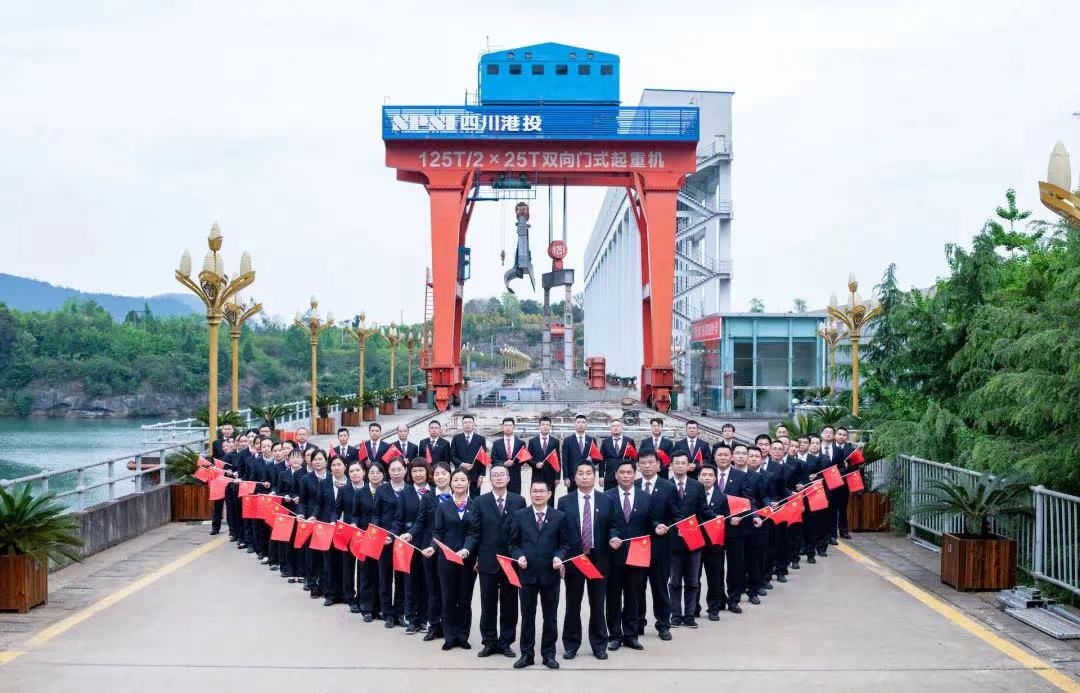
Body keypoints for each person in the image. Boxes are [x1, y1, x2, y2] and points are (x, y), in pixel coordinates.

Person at [557, 462, 622, 661]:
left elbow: (613, 525)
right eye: (580, 473)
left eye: (588, 473)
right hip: (575, 559)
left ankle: (599, 644)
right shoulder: (564, 501)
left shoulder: (606, 500)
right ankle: (571, 644)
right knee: (573, 604)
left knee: (598, 604)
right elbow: (560, 533)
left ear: (594, 477)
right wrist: (561, 559)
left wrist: (613, 536)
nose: (584, 477)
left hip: (599, 558)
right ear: (575, 477)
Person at [508, 480, 569, 670]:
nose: (538, 494)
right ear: (530, 493)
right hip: (527, 574)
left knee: (550, 617)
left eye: (542, 491)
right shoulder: (520, 515)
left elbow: (565, 544)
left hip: (550, 575)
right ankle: (527, 654)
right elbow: (513, 544)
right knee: (527, 616)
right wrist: (519, 556)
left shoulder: (559, 516)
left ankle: (549, 654)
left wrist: (559, 557)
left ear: (549, 494)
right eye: (534, 491)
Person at [470, 464, 525, 658]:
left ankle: (505, 642)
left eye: (502, 474)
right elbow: (475, 532)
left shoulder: (519, 501)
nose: (499, 478)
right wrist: (474, 556)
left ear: (509, 478)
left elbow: (522, 532)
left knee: (510, 604)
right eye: (495, 475)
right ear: (490, 479)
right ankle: (489, 641)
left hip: (511, 561)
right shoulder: (479, 502)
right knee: (488, 603)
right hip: (487, 560)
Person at [426, 469, 479, 651]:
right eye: (455, 480)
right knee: (448, 597)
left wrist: (467, 549)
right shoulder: (443, 506)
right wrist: (433, 547)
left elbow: (475, 533)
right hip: (446, 559)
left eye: (462, 480)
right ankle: (450, 636)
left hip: (468, 559)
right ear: (451, 483)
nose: (459, 483)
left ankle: (463, 635)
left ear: (468, 482)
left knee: (464, 598)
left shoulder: (475, 505)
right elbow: (438, 532)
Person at [605, 460, 649, 651]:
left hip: (637, 555)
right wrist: (612, 536)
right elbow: (605, 524)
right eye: (621, 472)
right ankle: (614, 635)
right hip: (613, 556)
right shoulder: (607, 497)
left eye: (629, 472)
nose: (625, 475)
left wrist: (658, 526)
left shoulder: (645, 497)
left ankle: (631, 635)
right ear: (616, 475)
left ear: (635, 474)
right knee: (613, 597)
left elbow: (651, 522)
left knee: (633, 597)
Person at [666, 453, 710, 628]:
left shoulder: (697, 486)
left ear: (688, 466)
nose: (680, 466)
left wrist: (717, 517)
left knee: (693, 581)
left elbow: (703, 510)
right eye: (676, 463)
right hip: (673, 540)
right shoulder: (665, 485)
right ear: (671, 465)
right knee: (675, 581)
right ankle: (676, 615)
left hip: (693, 538)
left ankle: (690, 615)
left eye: (683, 463)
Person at [634, 452, 675, 641]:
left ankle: (663, 625)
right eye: (643, 463)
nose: (647, 466)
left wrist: (668, 527)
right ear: (638, 466)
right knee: (637, 587)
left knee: (660, 587)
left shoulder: (668, 487)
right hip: (638, 546)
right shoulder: (633, 485)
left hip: (660, 546)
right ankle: (637, 623)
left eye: (651, 462)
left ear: (659, 465)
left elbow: (676, 515)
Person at [409, 462, 451, 642]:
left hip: (451, 550)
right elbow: (420, 522)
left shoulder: (460, 496)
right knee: (433, 589)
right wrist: (410, 534)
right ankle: (433, 625)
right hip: (429, 549)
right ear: (433, 477)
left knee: (449, 590)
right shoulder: (427, 498)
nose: (441, 477)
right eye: (437, 474)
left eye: (444, 473)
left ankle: (449, 626)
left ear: (450, 475)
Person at [393, 458, 433, 634]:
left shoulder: (434, 492)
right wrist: (393, 534)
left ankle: (423, 619)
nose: (418, 474)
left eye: (421, 470)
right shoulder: (405, 493)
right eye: (414, 471)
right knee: (410, 583)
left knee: (426, 582)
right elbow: (398, 519)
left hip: (429, 544)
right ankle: (411, 618)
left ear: (427, 472)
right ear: (410, 473)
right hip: (409, 543)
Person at [717, 445, 758, 614]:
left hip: (736, 527)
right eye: (720, 455)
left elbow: (748, 500)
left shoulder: (741, 476)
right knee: (716, 567)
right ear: (715, 457)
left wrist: (743, 516)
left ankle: (734, 599)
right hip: (715, 529)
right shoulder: (707, 474)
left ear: (731, 457)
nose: (723, 458)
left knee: (735, 566)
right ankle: (719, 599)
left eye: (726, 455)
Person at [374, 458, 409, 628]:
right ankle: (387, 612)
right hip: (385, 539)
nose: (396, 473)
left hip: (404, 539)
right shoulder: (382, 490)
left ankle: (399, 613)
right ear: (388, 472)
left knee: (401, 577)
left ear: (405, 470)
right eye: (393, 470)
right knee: (385, 576)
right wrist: (378, 532)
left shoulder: (410, 490)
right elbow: (376, 514)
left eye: (399, 469)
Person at [697, 464, 731, 620]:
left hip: (715, 544)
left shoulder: (722, 497)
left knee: (715, 577)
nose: (707, 478)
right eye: (704, 475)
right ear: (698, 477)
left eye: (710, 475)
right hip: (696, 541)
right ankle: (694, 608)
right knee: (694, 578)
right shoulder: (693, 495)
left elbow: (726, 518)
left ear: (715, 478)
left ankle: (714, 608)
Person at [299, 449, 332, 599]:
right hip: (310, 520)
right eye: (315, 459)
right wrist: (301, 514)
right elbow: (302, 500)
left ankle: (325, 585)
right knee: (311, 554)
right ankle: (312, 584)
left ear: (326, 461)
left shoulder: (332, 477)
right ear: (311, 462)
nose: (318, 462)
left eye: (320, 459)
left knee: (326, 555)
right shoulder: (306, 479)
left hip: (326, 520)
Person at [355, 462, 384, 621]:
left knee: (381, 574)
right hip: (365, 536)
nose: (375, 475)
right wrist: (354, 524)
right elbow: (355, 514)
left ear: (383, 475)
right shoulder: (361, 492)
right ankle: (367, 608)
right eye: (372, 472)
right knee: (366, 573)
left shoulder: (387, 491)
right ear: (367, 474)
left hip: (382, 537)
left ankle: (380, 608)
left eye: (378, 473)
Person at [337, 461, 367, 610]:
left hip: (365, 533)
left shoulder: (370, 489)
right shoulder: (344, 490)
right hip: (349, 531)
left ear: (363, 472)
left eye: (357, 470)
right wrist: (333, 520)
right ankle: (349, 597)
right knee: (348, 566)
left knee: (363, 566)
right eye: (351, 471)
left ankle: (362, 597)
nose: (355, 473)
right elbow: (336, 510)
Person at [744, 447, 771, 603]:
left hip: (759, 519)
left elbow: (766, 496)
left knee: (757, 555)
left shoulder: (764, 476)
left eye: (757, 456)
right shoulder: (738, 475)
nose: (753, 459)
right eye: (751, 456)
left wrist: (768, 505)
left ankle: (757, 584)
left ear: (762, 459)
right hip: (741, 521)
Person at [321, 456, 349, 606]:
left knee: (345, 562)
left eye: (339, 464)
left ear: (345, 466)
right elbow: (318, 504)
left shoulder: (352, 482)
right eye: (333, 465)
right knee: (329, 561)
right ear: (330, 468)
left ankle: (346, 594)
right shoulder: (324, 483)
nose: (337, 467)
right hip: (330, 525)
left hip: (347, 527)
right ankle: (331, 594)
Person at [526, 416, 560, 507]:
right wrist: (535, 464)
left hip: (551, 476)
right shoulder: (532, 441)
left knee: (550, 499)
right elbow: (528, 459)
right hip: (537, 475)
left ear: (550, 427)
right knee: (537, 498)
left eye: (547, 425)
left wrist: (557, 477)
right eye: (543, 425)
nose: (545, 426)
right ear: (539, 426)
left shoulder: (555, 441)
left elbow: (558, 460)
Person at [450, 414, 487, 498]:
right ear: (462, 425)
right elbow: (452, 456)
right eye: (465, 422)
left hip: (475, 474)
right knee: (460, 497)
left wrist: (482, 475)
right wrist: (461, 464)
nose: (468, 424)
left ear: (473, 424)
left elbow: (484, 458)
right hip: (460, 474)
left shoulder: (480, 439)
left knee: (475, 499)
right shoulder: (456, 438)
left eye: (470, 422)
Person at [560, 414, 597, 494]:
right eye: (578, 422)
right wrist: (566, 477)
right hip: (572, 477)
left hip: (587, 477)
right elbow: (565, 460)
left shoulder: (591, 440)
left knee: (587, 498)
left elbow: (597, 458)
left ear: (586, 425)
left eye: (583, 422)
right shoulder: (567, 441)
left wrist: (592, 459)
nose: (581, 424)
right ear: (575, 424)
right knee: (572, 498)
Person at [490, 417, 527, 495]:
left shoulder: (521, 443)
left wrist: (514, 464)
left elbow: (524, 458)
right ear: (502, 427)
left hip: (515, 475)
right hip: (500, 476)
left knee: (515, 497)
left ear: (514, 427)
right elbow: (493, 459)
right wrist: (504, 464)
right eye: (506, 425)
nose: (508, 427)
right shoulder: (496, 443)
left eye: (510, 425)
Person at [600, 420, 634, 489]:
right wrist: (601, 476)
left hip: (625, 476)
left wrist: (632, 473)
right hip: (610, 477)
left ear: (621, 428)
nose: (616, 428)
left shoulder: (629, 441)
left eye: (618, 426)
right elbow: (602, 460)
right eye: (613, 426)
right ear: (610, 429)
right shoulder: (605, 442)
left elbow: (634, 459)